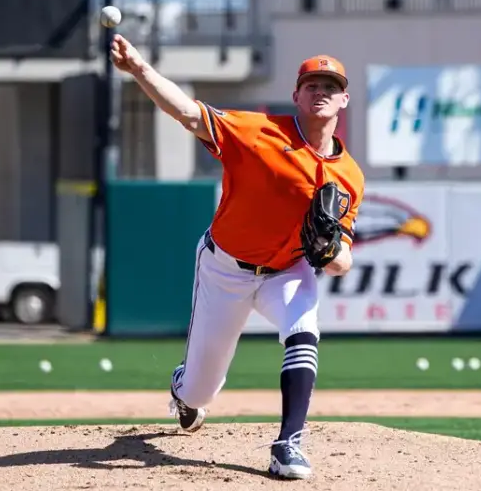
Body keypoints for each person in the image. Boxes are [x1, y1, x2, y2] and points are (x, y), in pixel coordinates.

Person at [110, 34, 365, 480]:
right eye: (312, 84)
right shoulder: (258, 131)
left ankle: (288, 443)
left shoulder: (350, 177)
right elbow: (188, 113)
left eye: (330, 85)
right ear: (297, 95)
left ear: (344, 98)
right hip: (224, 269)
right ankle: (184, 389)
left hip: (288, 271)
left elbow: (343, 257)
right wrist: (140, 70)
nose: (320, 91)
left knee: (303, 331)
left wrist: (328, 255)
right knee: (199, 393)